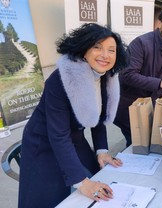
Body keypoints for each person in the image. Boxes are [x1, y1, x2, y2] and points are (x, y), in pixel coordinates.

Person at [18, 23, 128, 207]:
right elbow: (58, 135)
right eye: (97, 47)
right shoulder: (62, 79)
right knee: (49, 197)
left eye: (112, 50)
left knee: (98, 176)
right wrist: (82, 183)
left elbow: (97, 116)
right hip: (43, 141)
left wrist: (102, 151)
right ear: (84, 50)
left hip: (74, 138)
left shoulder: (105, 76)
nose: (105, 55)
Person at [114, 9, 162, 147]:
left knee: (153, 147)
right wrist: (161, 83)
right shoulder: (141, 43)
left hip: (152, 108)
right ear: (159, 23)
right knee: (137, 148)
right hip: (131, 109)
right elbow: (127, 75)